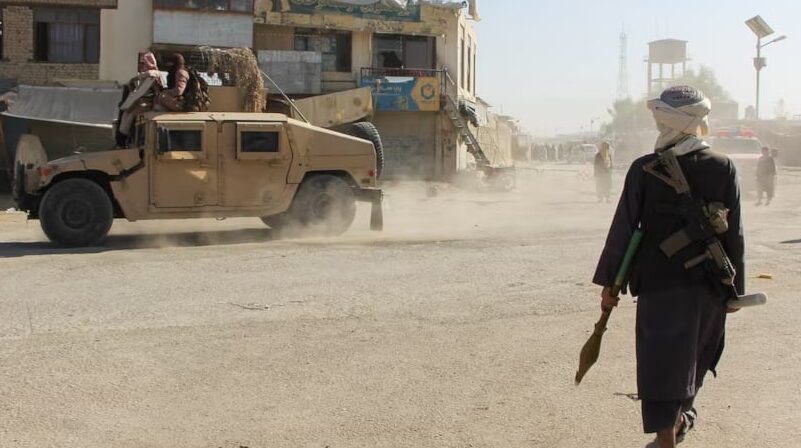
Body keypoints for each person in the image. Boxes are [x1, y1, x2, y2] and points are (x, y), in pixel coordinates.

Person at [593, 86, 744, 448]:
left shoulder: (644, 169)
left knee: (660, 363)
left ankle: (669, 428)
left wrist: (611, 284)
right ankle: (674, 424)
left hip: (659, 286)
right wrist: (734, 291)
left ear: (669, 122)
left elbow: (623, 229)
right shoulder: (722, 166)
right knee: (696, 356)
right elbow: (734, 235)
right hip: (709, 287)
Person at [117, 52, 164, 145]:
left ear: (149, 63)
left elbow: (143, 92)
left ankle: (125, 139)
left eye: (143, 63)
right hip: (143, 100)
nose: (140, 65)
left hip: (150, 103)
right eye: (140, 63)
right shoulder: (146, 75)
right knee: (127, 113)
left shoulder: (153, 74)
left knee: (131, 114)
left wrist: (130, 103)